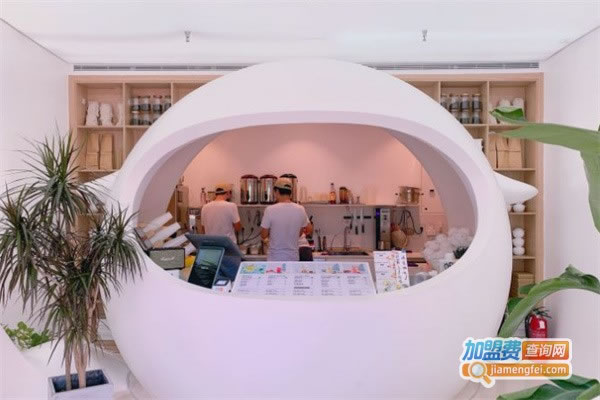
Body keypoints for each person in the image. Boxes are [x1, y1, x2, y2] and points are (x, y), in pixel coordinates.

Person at [260, 178, 309, 261]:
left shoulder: (270, 209)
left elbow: (263, 235)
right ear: (290, 193)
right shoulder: (301, 209)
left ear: (276, 191)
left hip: (275, 258)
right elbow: (300, 233)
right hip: (293, 258)